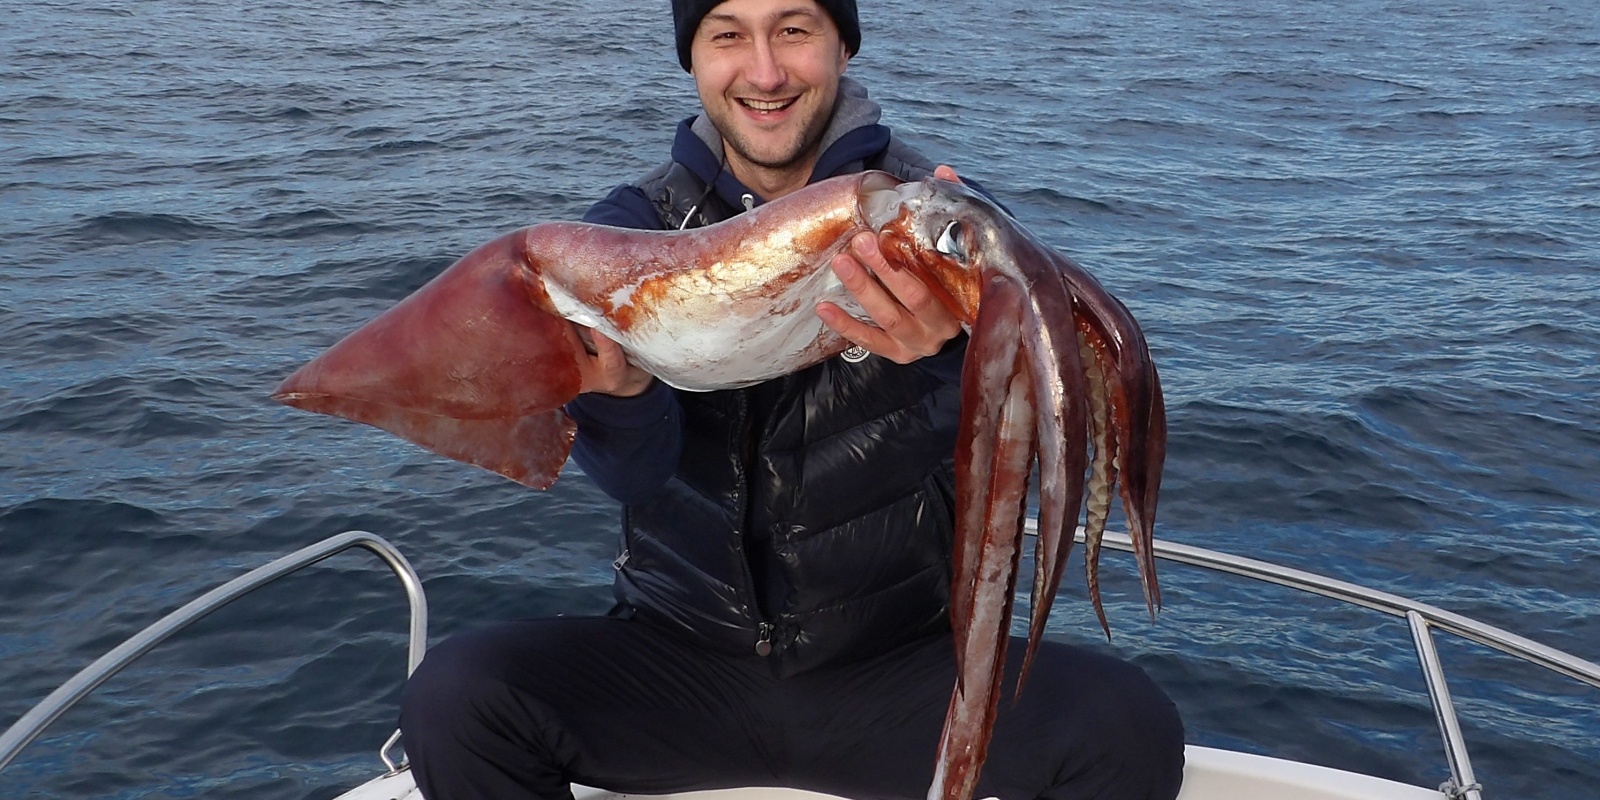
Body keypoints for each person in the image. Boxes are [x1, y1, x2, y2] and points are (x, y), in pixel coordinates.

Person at [398, 1, 1186, 799]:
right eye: (728, 34)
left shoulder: (938, 223)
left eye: (796, 30)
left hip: (895, 673)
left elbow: (1035, 421)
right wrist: (623, 388)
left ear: (842, 45)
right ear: (693, 58)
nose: (766, 71)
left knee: (1126, 729)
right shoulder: (638, 231)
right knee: (455, 698)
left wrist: (946, 357)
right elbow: (634, 478)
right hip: (680, 666)